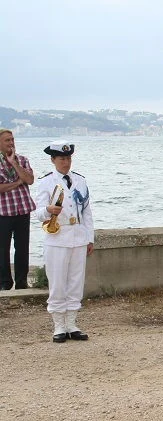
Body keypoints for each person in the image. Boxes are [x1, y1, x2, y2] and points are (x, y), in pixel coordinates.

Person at [34, 141, 94, 343]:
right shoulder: (46, 182)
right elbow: (38, 213)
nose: (66, 162)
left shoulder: (80, 180)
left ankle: (72, 324)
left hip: (78, 236)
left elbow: (86, 212)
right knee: (58, 283)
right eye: (62, 159)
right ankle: (59, 326)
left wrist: (89, 238)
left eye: (68, 158)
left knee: (76, 282)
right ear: (53, 160)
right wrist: (48, 210)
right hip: (57, 238)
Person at [0, 129, 35, 290]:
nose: (11, 143)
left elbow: (30, 179)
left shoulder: (22, 160)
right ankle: (5, 283)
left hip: (23, 210)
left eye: (12, 139)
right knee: (2, 249)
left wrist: (14, 163)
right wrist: (18, 183)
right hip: (3, 212)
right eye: (7, 140)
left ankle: (21, 282)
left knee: (22, 248)